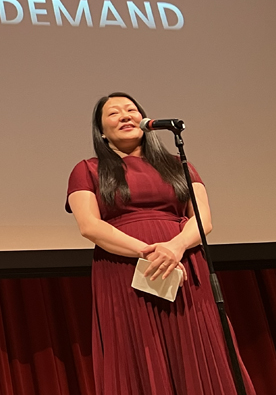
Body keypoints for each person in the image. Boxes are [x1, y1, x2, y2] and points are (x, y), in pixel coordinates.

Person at [66, 92, 255, 395]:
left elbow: (203, 220)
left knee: (196, 346)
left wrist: (175, 247)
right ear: (101, 131)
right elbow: (90, 226)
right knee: (138, 349)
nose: (125, 115)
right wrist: (148, 252)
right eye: (113, 113)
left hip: (184, 264)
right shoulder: (87, 170)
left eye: (131, 110)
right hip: (126, 269)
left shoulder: (179, 165)